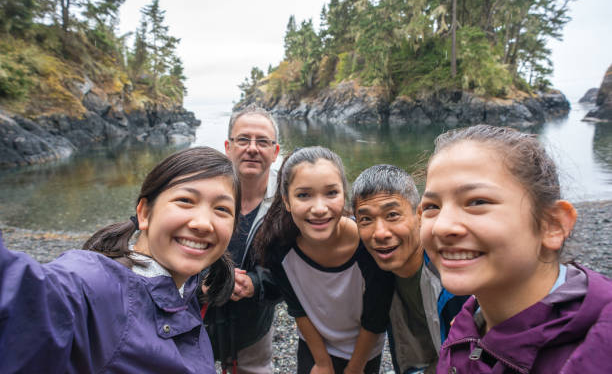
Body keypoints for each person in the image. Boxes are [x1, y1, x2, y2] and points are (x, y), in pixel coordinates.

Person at [0, 146, 240, 373]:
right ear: (144, 213)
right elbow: (23, 295)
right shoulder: (95, 284)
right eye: (185, 201)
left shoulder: (185, 289)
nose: (202, 223)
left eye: (221, 209)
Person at [419, 124, 612, 373]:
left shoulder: (599, 348)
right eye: (432, 206)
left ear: (552, 225)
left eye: (477, 202)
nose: (441, 227)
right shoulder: (465, 327)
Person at [255, 146, 394, 374]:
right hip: (314, 344)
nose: (319, 209)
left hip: (365, 350)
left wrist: (356, 368)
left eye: (331, 193)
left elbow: (375, 319)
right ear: (287, 202)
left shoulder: (370, 246)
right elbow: (297, 307)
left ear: (344, 194)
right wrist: (321, 361)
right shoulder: (279, 249)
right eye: (303, 195)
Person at [351, 164, 468, 374]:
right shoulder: (375, 269)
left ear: (420, 214)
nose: (380, 233)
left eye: (392, 215)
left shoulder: (455, 278)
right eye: (366, 219)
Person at [203, 106, 281, 374]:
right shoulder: (203, 192)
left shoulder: (289, 204)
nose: (252, 148)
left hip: (254, 325)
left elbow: (296, 271)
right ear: (228, 146)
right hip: (195, 315)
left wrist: (255, 283)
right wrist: (201, 282)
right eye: (243, 139)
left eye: (262, 142)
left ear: (275, 152)